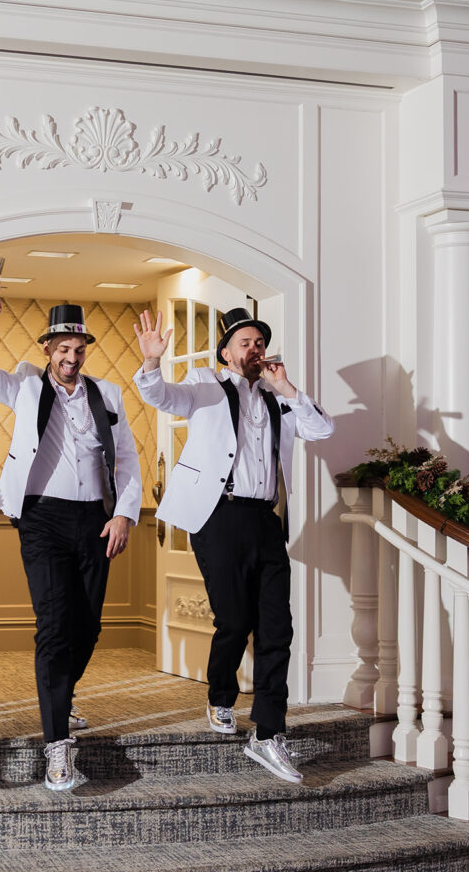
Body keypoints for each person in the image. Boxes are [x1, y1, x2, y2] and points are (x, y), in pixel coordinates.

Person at [133, 307, 334, 783]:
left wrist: (288, 388)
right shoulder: (205, 385)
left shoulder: (275, 396)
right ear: (226, 352)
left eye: (259, 342)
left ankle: (267, 733)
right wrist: (151, 362)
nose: (254, 349)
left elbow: (322, 429)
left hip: (266, 519)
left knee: (276, 628)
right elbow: (160, 395)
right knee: (234, 619)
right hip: (217, 516)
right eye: (245, 342)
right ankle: (221, 696)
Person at [0, 285, 142, 791]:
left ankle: (62, 695)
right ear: (48, 350)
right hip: (40, 517)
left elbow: (125, 458)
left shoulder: (107, 394)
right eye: (63, 349)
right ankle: (58, 748)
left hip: (96, 521)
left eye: (79, 349)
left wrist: (124, 514)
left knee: (88, 627)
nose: (71, 357)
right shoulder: (24, 385)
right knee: (55, 625)